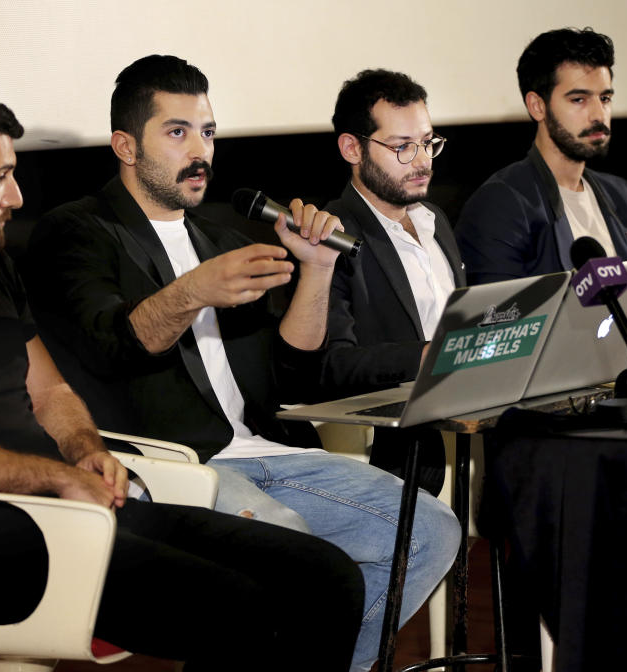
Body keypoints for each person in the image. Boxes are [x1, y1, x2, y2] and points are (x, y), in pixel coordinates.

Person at [0, 85, 366, 672]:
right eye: (0, 177)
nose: (17, 198)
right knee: (252, 612)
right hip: (3, 554)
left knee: (328, 576)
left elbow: (48, 391)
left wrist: (84, 450)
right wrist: (59, 478)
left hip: (87, 514)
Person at [24, 56, 460, 672]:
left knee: (432, 532)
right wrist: (192, 292)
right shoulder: (77, 232)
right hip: (167, 463)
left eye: (207, 132)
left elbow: (293, 372)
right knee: (297, 554)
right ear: (125, 145)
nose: (199, 150)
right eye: (176, 132)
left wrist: (316, 268)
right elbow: (109, 342)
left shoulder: (221, 240)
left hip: (264, 452)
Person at [321, 69, 466, 495]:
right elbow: (332, 364)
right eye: (402, 147)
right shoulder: (329, 233)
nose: (422, 161)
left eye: (427, 142)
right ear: (352, 148)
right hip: (397, 448)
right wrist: (425, 357)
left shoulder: (435, 219)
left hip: (470, 421)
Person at [455, 27, 627, 285]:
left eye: (605, 98)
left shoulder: (622, 195)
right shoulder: (500, 204)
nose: (598, 114)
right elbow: (495, 319)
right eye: (578, 100)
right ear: (537, 106)